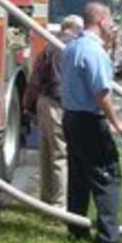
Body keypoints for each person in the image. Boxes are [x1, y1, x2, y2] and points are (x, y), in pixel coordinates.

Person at [60, 1, 122, 243]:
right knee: (107, 175)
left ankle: (76, 230)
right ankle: (108, 240)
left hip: (71, 117)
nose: (113, 25)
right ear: (102, 21)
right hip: (89, 121)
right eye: (111, 20)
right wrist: (119, 124)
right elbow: (102, 93)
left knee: (79, 177)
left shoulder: (71, 47)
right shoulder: (94, 52)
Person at [23, 14, 83, 207]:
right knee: (60, 155)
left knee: (47, 152)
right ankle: (59, 205)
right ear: (76, 29)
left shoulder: (49, 47)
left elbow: (35, 79)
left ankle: (46, 198)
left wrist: (28, 105)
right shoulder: (74, 49)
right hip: (60, 104)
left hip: (44, 101)